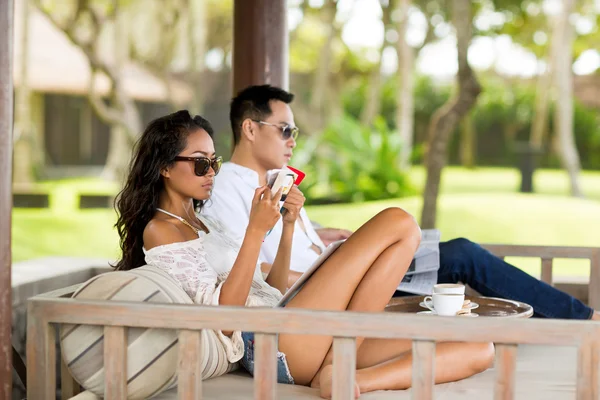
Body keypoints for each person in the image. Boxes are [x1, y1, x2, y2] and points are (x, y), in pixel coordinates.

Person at [113, 110, 494, 398]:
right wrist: (255, 230)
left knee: (479, 345)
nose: (211, 171)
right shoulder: (160, 230)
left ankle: (346, 378)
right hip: (265, 343)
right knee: (399, 223)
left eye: (214, 162)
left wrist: (287, 225)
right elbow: (223, 320)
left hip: (290, 324)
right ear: (164, 167)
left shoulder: (204, 223)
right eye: (200, 163)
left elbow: (271, 288)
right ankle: (343, 358)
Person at [203, 84, 599, 321]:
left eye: (296, 131)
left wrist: (317, 235)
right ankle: (583, 320)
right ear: (250, 129)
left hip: (342, 266)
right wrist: (336, 266)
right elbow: (251, 267)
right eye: (285, 129)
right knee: (462, 255)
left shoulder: (276, 181)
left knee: (453, 253)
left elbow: (282, 239)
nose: (293, 139)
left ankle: (569, 318)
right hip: (336, 286)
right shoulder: (227, 191)